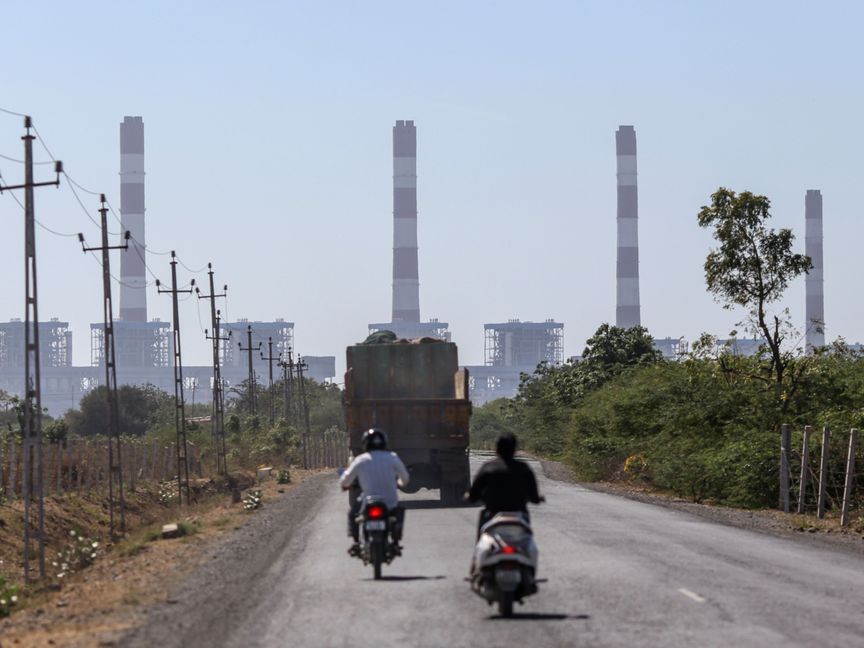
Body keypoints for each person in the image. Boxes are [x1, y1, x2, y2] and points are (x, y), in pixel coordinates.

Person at [340, 428, 409, 555]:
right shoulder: (392, 457)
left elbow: (345, 479)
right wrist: (400, 483)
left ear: (365, 443)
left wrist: (345, 486)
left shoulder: (361, 460)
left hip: (367, 500)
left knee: (352, 514)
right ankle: (395, 540)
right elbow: (405, 477)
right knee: (399, 512)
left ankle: (356, 542)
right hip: (390, 501)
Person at [466, 432, 543, 538]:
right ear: (514, 450)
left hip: (492, 514)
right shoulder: (523, 468)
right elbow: (534, 497)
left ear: (497, 449)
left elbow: (474, 493)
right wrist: (537, 499)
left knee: (482, 543)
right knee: (527, 539)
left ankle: (477, 552)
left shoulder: (488, 467)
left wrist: (470, 497)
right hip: (519, 516)